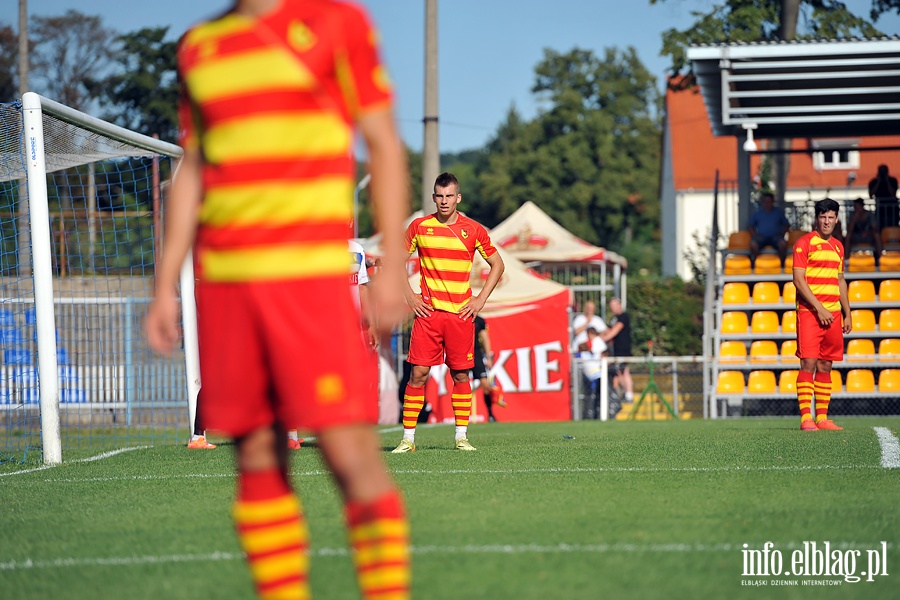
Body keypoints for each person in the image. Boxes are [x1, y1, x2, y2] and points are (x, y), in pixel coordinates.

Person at [145, 2, 411, 598]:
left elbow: (383, 144)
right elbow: (194, 170)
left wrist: (391, 264)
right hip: (228, 287)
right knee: (259, 459)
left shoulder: (338, 23)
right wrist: (166, 282)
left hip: (310, 282)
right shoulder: (201, 46)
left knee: (348, 453)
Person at [391, 172, 505, 453]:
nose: (444, 201)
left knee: (461, 376)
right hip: (428, 316)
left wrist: (479, 300)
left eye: (449, 196)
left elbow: (498, 264)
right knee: (417, 374)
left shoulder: (474, 230)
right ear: (433, 198)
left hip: (460, 317)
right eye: (439, 196)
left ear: (458, 198)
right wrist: (410, 296)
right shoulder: (419, 227)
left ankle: (461, 437)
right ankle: (408, 439)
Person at [791, 198, 852, 432]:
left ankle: (822, 417)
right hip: (810, 312)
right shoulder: (803, 244)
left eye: (831, 217)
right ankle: (806, 417)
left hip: (834, 315)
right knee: (808, 361)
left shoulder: (838, 246)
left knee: (826, 364)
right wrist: (819, 308)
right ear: (816, 218)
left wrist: (847, 313)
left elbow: (840, 280)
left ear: (836, 219)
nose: (826, 222)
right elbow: (798, 280)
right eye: (823, 217)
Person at [472, 315, 506, 423]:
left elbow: (485, 338)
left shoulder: (479, 320)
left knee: (485, 385)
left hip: (475, 354)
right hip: (460, 353)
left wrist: (488, 357)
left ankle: (490, 413)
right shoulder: (457, 315)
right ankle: (460, 416)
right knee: (460, 382)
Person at [601, 297, 633, 405]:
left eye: (615, 306)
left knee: (624, 371)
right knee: (618, 372)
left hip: (623, 350)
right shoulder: (614, 319)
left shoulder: (623, 317)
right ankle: (623, 393)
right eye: (611, 307)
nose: (613, 308)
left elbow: (614, 331)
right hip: (616, 350)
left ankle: (629, 394)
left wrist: (602, 339)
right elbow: (608, 330)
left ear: (620, 305)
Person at [748, 192, 790, 265]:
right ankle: (756, 263)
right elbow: (750, 226)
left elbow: (786, 225)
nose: (767, 203)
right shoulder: (758, 213)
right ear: (763, 202)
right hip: (761, 237)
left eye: (769, 201)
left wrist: (782, 234)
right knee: (753, 244)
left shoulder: (778, 212)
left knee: (783, 244)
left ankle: (782, 264)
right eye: (765, 201)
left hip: (775, 237)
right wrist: (755, 235)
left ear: (772, 202)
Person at [868, 164, 900, 230]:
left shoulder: (892, 180)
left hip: (892, 209)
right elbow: (871, 195)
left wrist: (887, 181)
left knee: (893, 226)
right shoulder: (873, 182)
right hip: (880, 209)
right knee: (880, 227)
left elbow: (893, 193)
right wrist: (878, 181)